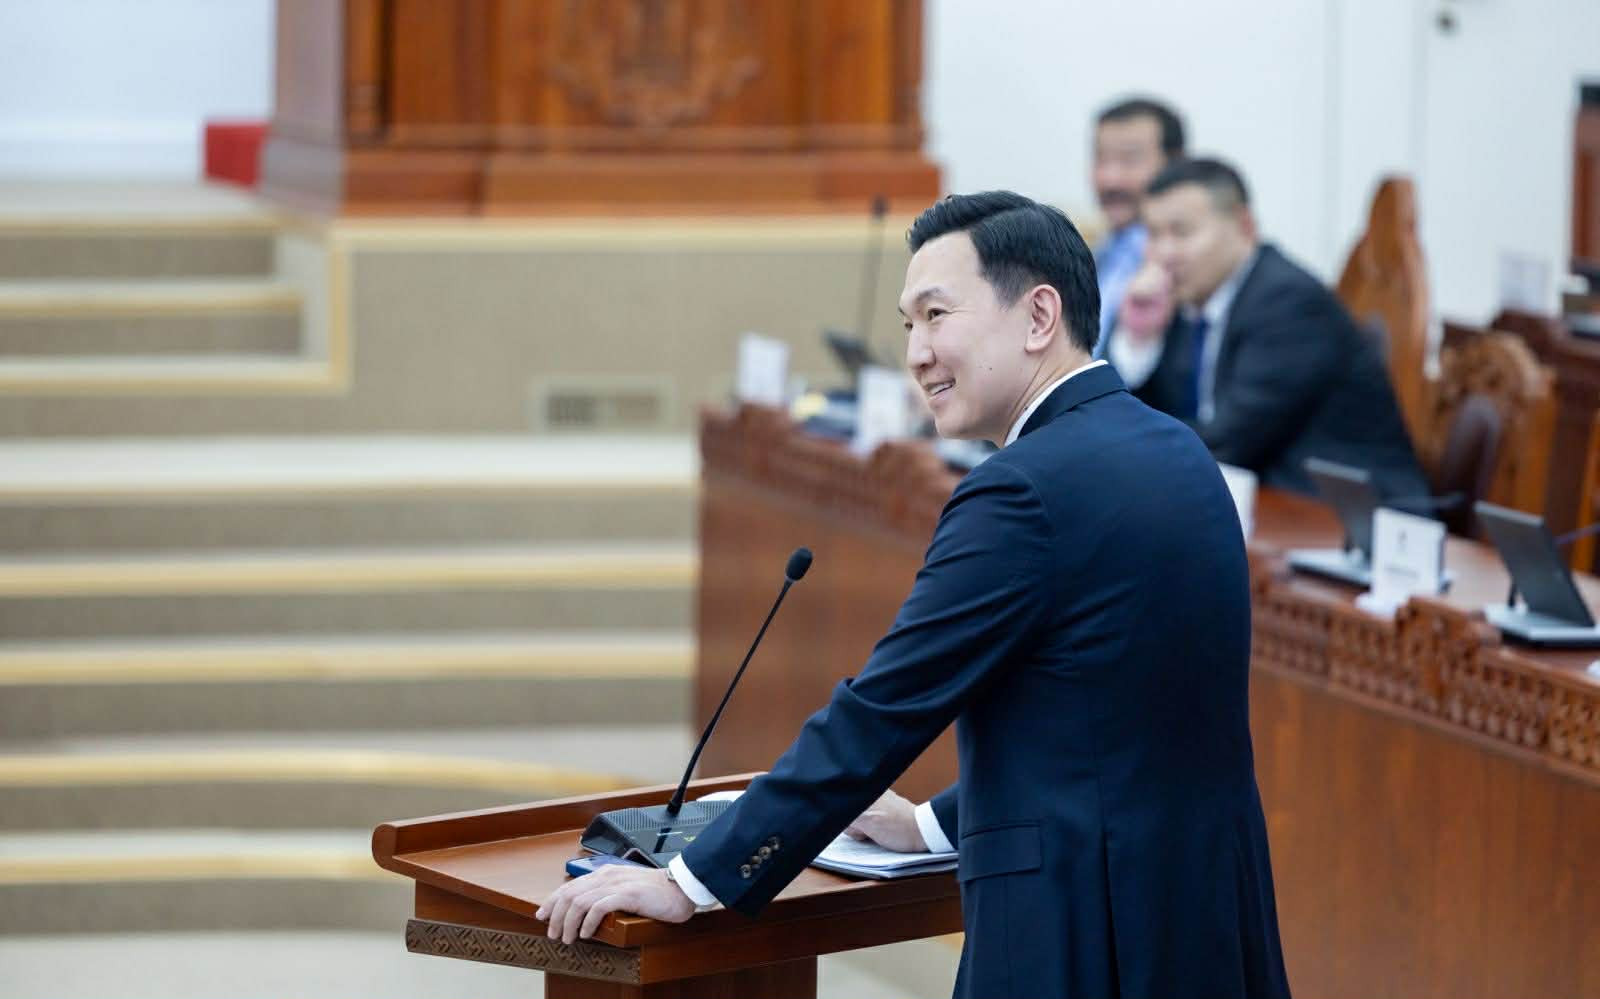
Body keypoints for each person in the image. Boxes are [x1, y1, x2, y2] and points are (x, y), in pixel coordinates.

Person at [537, 191, 1291, 999]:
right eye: (907, 324)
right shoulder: (1179, 451)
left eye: (937, 315)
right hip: (1208, 916)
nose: (917, 354)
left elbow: (882, 710)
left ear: (1039, 316)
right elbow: (1120, 722)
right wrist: (928, 822)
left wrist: (690, 880)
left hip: (1080, 929)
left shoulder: (1019, 491)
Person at [1122, 156, 1429, 499]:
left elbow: (1228, 442)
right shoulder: (1187, 302)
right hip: (1268, 504)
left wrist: (1114, 459)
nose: (1163, 254)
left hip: (1358, 513)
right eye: (1153, 234)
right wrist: (1139, 338)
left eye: (1181, 232)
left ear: (1245, 226)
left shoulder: (1288, 302)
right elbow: (1149, 414)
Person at [1091, 96, 1186, 356]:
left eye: (1130, 160)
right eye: (1100, 159)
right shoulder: (1094, 253)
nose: (1111, 180)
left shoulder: (1187, 265)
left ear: (1175, 163)